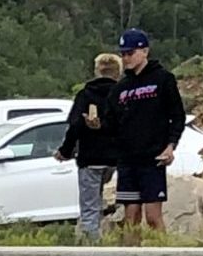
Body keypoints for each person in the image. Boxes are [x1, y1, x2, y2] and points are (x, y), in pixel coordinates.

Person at [109, 29, 188, 234]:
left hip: (153, 157)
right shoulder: (120, 88)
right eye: (123, 54)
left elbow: (178, 116)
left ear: (144, 51)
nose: (127, 58)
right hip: (128, 159)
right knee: (130, 217)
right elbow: (112, 121)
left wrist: (171, 146)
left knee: (153, 217)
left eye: (131, 53)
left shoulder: (163, 79)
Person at [54, 53, 125, 241]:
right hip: (117, 158)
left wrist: (65, 151)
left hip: (91, 158)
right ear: (118, 72)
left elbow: (75, 126)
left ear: (97, 71)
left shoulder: (85, 94)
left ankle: (92, 247)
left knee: (90, 208)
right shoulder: (122, 94)